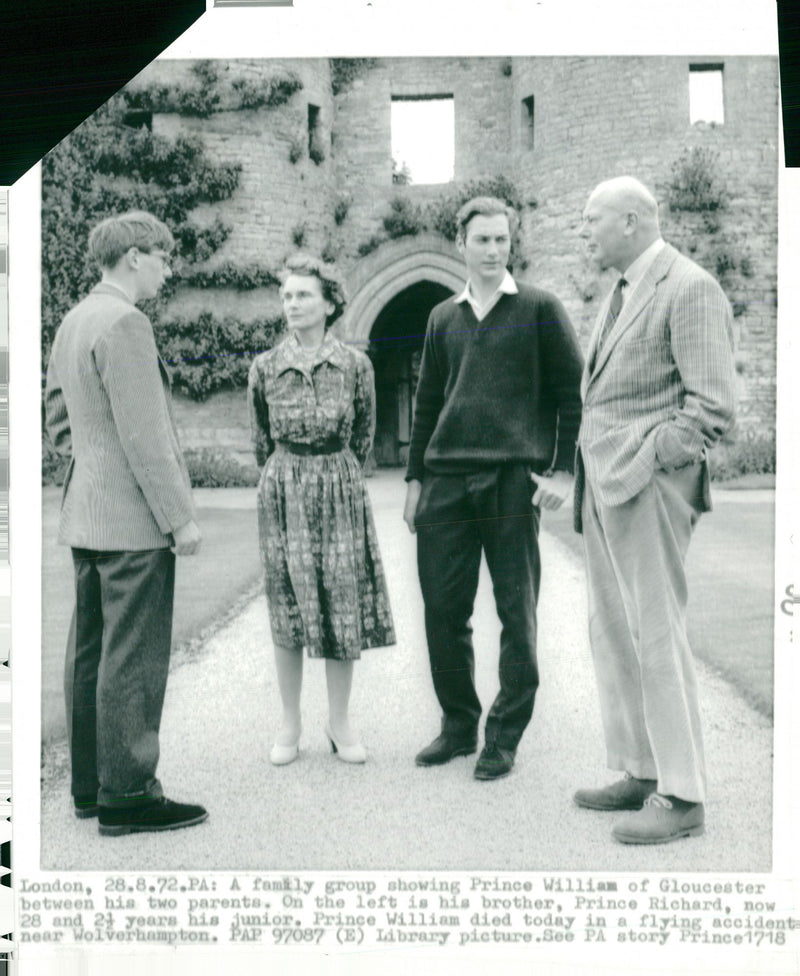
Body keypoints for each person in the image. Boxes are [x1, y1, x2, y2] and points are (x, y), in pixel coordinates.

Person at [574, 176, 737, 844]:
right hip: (606, 487)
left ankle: (684, 796)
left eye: (594, 220)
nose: (585, 231)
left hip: (649, 489)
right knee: (613, 633)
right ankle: (642, 771)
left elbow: (713, 409)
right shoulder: (617, 291)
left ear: (634, 222)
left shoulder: (691, 287)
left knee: (657, 636)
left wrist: (645, 460)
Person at [403, 196, 584, 781]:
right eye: (481, 239)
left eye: (501, 240)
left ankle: (503, 737)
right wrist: (414, 479)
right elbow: (428, 402)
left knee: (517, 613)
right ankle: (459, 727)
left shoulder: (539, 307)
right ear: (461, 243)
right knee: (443, 613)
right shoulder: (441, 318)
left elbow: (570, 396)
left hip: (511, 481)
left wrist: (560, 470)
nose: (492, 250)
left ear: (511, 244)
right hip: (446, 483)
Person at [45, 211, 207, 836]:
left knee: (90, 655)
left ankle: (90, 789)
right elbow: (145, 436)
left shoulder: (73, 320)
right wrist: (180, 519)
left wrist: (92, 464)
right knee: (132, 659)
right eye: (163, 257)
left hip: (85, 514)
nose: (168, 268)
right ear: (135, 256)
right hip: (134, 524)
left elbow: (59, 419)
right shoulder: (127, 322)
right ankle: (129, 794)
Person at [248, 254, 395, 766]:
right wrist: (287, 477)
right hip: (284, 487)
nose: (292, 303)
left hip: (339, 484)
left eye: (304, 295)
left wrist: (333, 472)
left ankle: (339, 721)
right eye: (286, 295)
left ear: (329, 302)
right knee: (287, 603)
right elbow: (261, 440)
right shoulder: (264, 367)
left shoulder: (356, 366)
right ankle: (290, 723)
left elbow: (364, 435)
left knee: (341, 602)